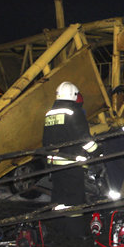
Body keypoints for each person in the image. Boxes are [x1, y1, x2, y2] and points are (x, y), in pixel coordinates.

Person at [43, 81, 99, 237]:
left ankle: (59, 228)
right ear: (74, 95)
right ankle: (76, 232)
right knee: (75, 199)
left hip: (55, 164)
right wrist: (97, 151)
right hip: (71, 163)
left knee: (59, 198)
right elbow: (84, 138)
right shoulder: (73, 112)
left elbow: (46, 141)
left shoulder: (50, 113)